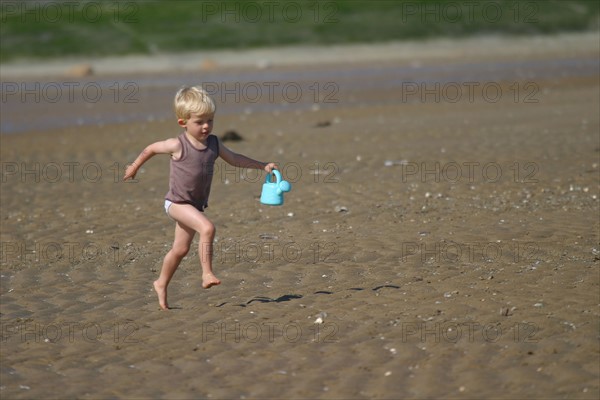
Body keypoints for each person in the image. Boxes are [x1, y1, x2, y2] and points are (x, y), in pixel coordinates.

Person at [123, 86, 278, 310]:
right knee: (207, 228)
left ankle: (160, 283)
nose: (206, 126)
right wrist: (134, 166)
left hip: (194, 205)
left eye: (210, 120)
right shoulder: (178, 145)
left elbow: (235, 159)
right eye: (199, 122)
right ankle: (206, 273)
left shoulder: (214, 144)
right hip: (176, 203)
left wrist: (262, 166)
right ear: (183, 123)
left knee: (180, 249)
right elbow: (151, 148)